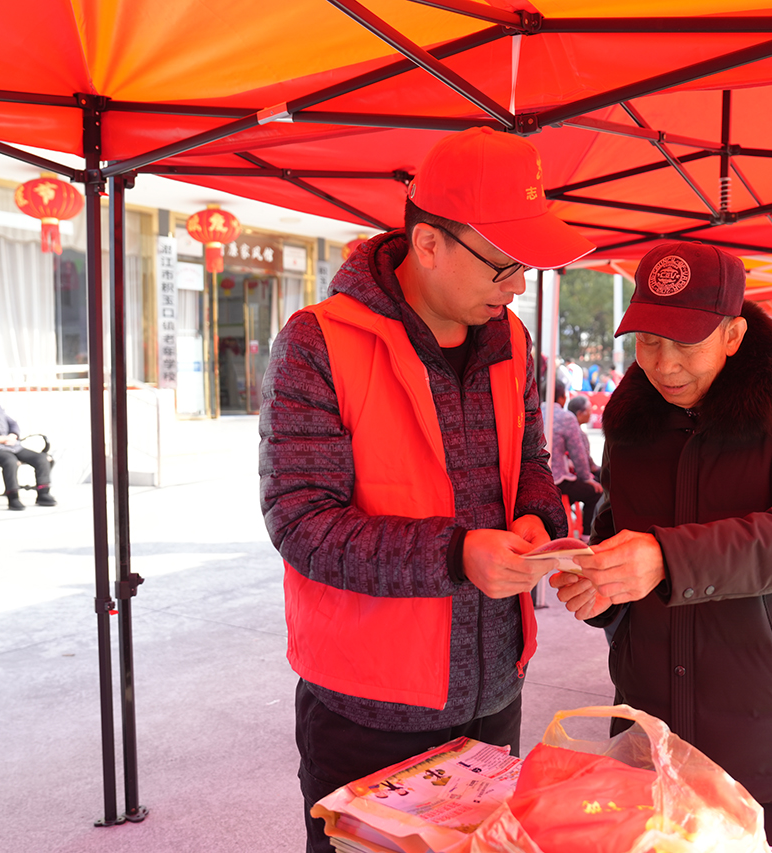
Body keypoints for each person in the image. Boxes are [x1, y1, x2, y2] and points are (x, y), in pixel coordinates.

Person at [259, 126, 590, 853]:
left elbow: (530, 461)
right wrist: (457, 553)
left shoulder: (510, 340)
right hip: (367, 707)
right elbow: (301, 522)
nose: (517, 286)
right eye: (504, 266)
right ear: (430, 243)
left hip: (496, 688)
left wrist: (537, 517)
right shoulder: (318, 341)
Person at [552, 241, 772, 853]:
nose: (663, 365)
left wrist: (665, 558)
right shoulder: (632, 413)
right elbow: (615, 528)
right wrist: (601, 584)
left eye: (685, 344)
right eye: (647, 341)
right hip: (650, 729)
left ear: (733, 335)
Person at [540, 379, 601, 537]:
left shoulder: (534, 412)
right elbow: (578, 454)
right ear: (562, 398)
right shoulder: (565, 417)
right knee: (595, 492)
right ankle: (586, 536)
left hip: (534, 478)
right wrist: (586, 478)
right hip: (556, 480)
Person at [564, 394, 601, 480]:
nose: (590, 413)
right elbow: (584, 461)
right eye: (589, 410)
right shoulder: (577, 434)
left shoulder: (570, 429)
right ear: (579, 414)